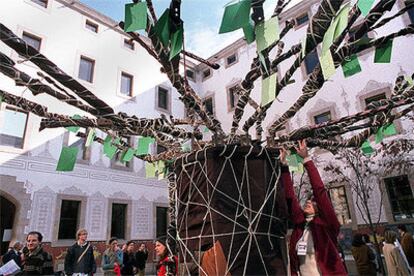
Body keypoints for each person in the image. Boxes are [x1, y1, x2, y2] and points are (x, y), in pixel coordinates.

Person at [280, 140, 347, 276]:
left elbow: (319, 191)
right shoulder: (300, 227)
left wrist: (306, 159)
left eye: (313, 202)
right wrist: (285, 167)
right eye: (308, 201)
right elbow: (290, 198)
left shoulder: (327, 225)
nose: (308, 202)